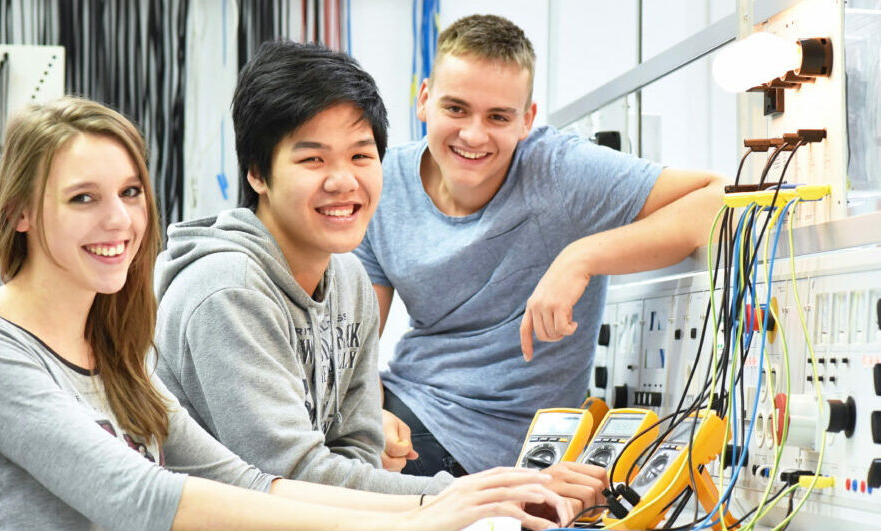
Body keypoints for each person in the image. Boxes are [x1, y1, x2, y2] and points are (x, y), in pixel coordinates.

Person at [0, 96, 569, 530]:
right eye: (84, 197)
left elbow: (253, 481)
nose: (119, 220)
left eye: (131, 192)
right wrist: (412, 519)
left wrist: (457, 498)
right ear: (21, 212)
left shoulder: (111, 356)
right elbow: (140, 499)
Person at [152, 39, 602, 518]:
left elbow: (357, 449)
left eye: (361, 156)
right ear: (258, 173)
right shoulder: (227, 291)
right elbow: (288, 476)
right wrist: (469, 496)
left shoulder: (346, 279)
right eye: (313, 159)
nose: (343, 181)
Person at [355, 15, 726, 477]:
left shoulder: (559, 172)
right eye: (456, 109)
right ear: (424, 99)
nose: (473, 134)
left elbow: (718, 200)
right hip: (403, 410)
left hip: (494, 447)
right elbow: (353, 348)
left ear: (527, 120)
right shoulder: (381, 185)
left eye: (498, 117)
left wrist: (581, 256)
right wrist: (372, 416)